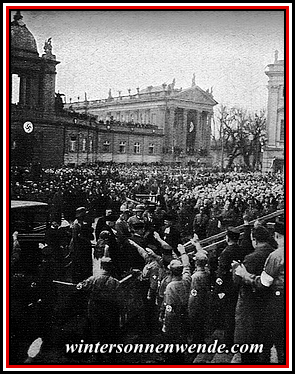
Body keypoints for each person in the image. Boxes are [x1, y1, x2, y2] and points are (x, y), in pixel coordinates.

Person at [233, 220, 285, 364]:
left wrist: (244, 274)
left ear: (276, 235)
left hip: (275, 302)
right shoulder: (273, 251)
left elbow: (263, 282)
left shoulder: (277, 255)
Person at [76, 257, 121, 356]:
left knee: (96, 331)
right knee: (109, 332)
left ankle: (97, 355)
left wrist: (80, 285)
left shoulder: (93, 279)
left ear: (101, 266)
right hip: (109, 310)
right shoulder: (115, 282)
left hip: (95, 309)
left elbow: (80, 286)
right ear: (110, 267)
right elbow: (119, 298)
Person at [161, 243, 192, 364]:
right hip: (184, 314)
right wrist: (183, 253)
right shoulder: (187, 280)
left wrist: (166, 326)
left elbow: (169, 309)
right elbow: (187, 267)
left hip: (173, 318)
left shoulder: (170, 287)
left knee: (172, 348)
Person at [215, 226, 244, 348]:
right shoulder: (242, 250)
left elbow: (221, 274)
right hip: (238, 286)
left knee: (228, 315)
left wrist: (219, 290)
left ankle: (228, 342)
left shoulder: (225, 253)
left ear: (227, 238)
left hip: (227, 288)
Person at [188, 251, 211, 344]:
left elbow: (193, 293)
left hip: (196, 304)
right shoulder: (207, 273)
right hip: (204, 301)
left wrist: (190, 307)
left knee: (196, 326)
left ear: (196, 262)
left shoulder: (195, 277)